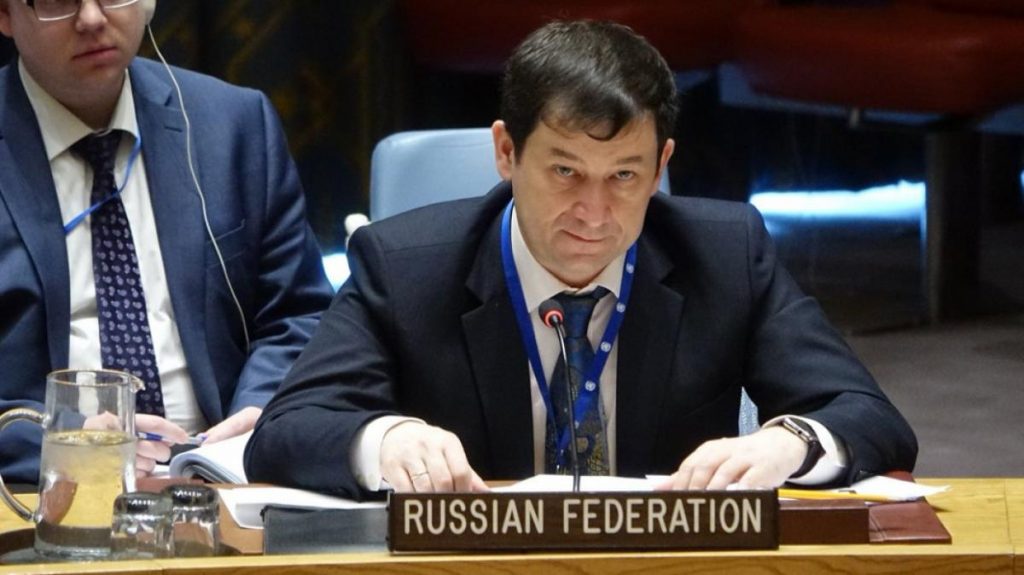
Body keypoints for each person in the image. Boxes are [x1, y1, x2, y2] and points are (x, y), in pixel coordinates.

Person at [245, 20, 916, 499]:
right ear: (506, 152)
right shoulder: (404, 266)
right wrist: (384, 440)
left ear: (662, 163)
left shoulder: (726, 253)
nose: (594, 213)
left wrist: (790, 441)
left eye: (624, 175)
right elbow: (285, 431)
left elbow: (869, 416)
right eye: (565, 171)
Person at [0, 0, 333, 484]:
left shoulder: (233, 124)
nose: (92, 19)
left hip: (224, 478)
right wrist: (63, 441)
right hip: (40, 491)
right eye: (57, 1)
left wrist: (264, 409)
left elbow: (299, 314)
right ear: (6, 15)